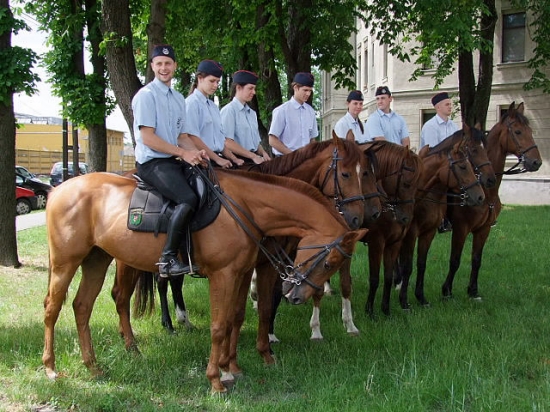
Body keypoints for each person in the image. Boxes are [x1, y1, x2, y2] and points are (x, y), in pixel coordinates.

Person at [132, 44, 208, 278]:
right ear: (152, 66)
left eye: (168, 63)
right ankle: (167, 259)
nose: (163, 68)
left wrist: (197, 153)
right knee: (187, 198)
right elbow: (148, 137)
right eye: (159, 64)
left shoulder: (178, 98)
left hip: (172, 160)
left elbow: (182, 136)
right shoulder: (146, 96)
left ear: (175, 66)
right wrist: (183, 154)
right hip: (152, 163)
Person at [186, 60, 265, 167]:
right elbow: (192, 137)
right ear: (200, 78)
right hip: (201, 161)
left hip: (216, 159)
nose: (215, 85)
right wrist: (218, 159)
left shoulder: (213, 107)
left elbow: (221, 141)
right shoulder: (191, 103)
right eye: (212, 81)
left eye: (217, 82)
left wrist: (234, 159)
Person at [421, 92, 460, 233]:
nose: (450, 107)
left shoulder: (454, 126)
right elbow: (434, 152)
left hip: (450, 165)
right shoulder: (430, 126)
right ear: (438, 107)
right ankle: (442, 219)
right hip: (434, 168)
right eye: (447, 104)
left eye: (450, 104)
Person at [220, 70, 271, 163]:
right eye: (250, 88)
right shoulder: (229, 111)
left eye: (254, 89)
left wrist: (263, 153)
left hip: (253, 160)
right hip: (236, 161)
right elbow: (227, 142)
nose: (254, 92)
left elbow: (255, 143)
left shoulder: (252, 113)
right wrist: (252, 156)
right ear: (239, 88)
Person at [268, 72, 319, 155]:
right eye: (305, 90)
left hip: (305, 160)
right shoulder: (282, 111)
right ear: (295, 88)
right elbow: (272, 140)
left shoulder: (311, 112)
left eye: (310, 91)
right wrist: (294, 156)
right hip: (285, 159)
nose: (308, 94)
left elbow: (312, 139)